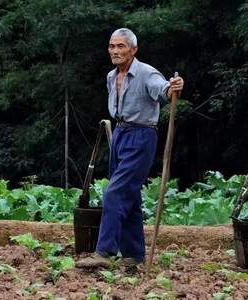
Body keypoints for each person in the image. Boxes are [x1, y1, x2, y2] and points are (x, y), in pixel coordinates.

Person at [76, 28, 184, 268]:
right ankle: (134, 255)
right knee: (130, 197)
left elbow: (162, 90)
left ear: (133, 50)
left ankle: (104, 252)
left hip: (141, 136)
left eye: (121, 46)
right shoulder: (111, 77)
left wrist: (172, 87)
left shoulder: (146, 73)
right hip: (120, 134)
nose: (115, 51)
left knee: (114, 192)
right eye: (112, 46)